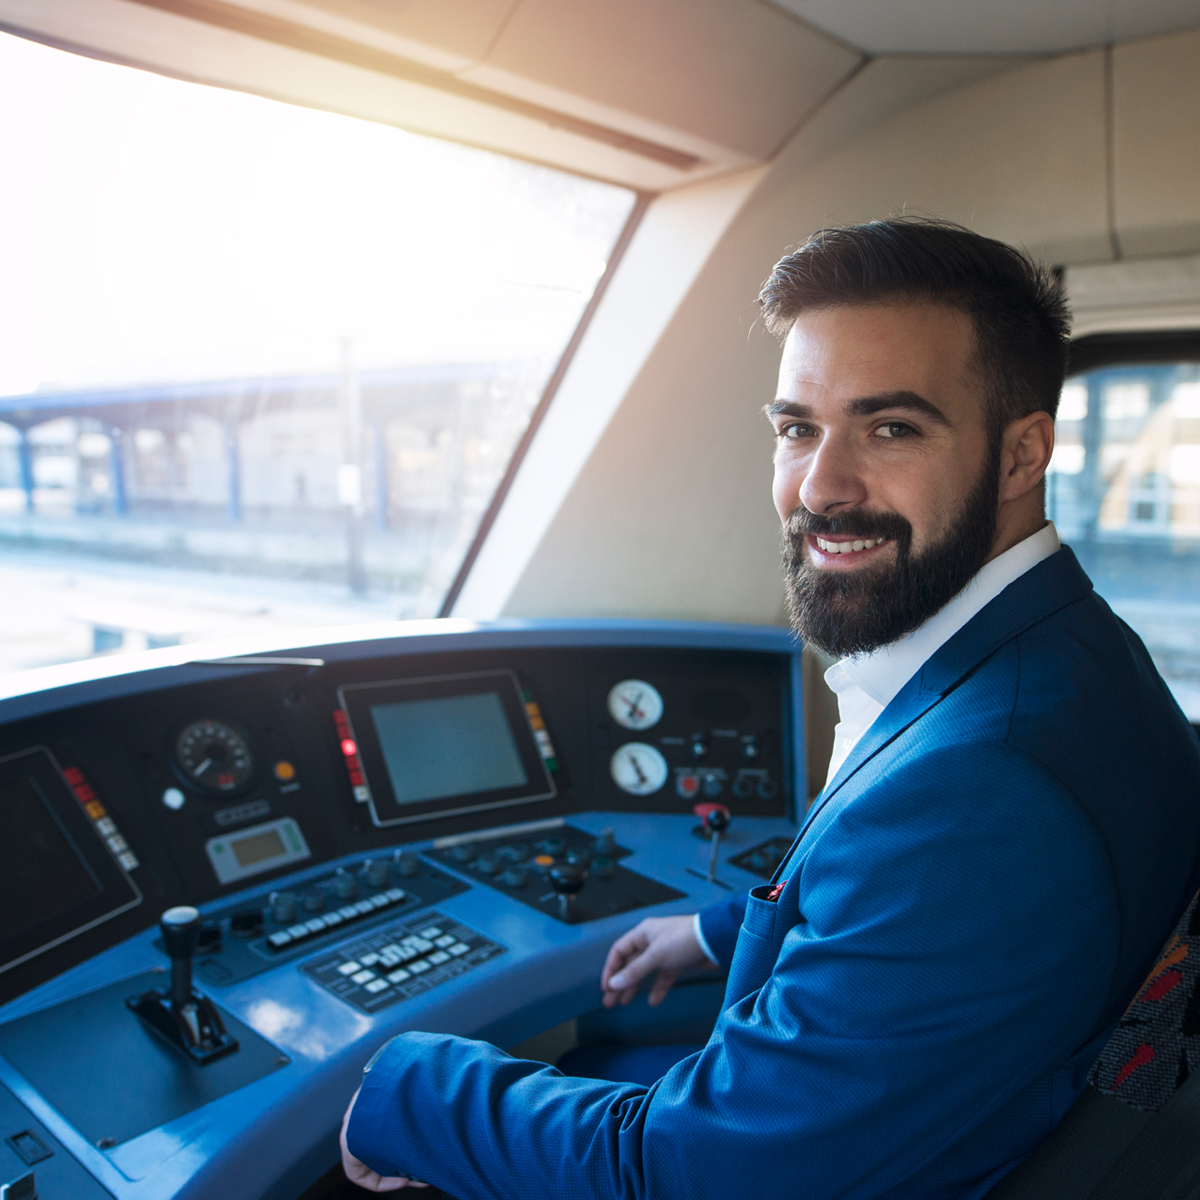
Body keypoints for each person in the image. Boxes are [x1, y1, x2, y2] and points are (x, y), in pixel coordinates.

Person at [340, 219, 1200, 1199]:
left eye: (891, 428)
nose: (820, 487)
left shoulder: (982, 790)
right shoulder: (1079, 646)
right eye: (798, 427)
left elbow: (682, 1175)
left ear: (1021, 455)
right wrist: (714, 932)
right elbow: (907, 919)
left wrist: (406, 1090)